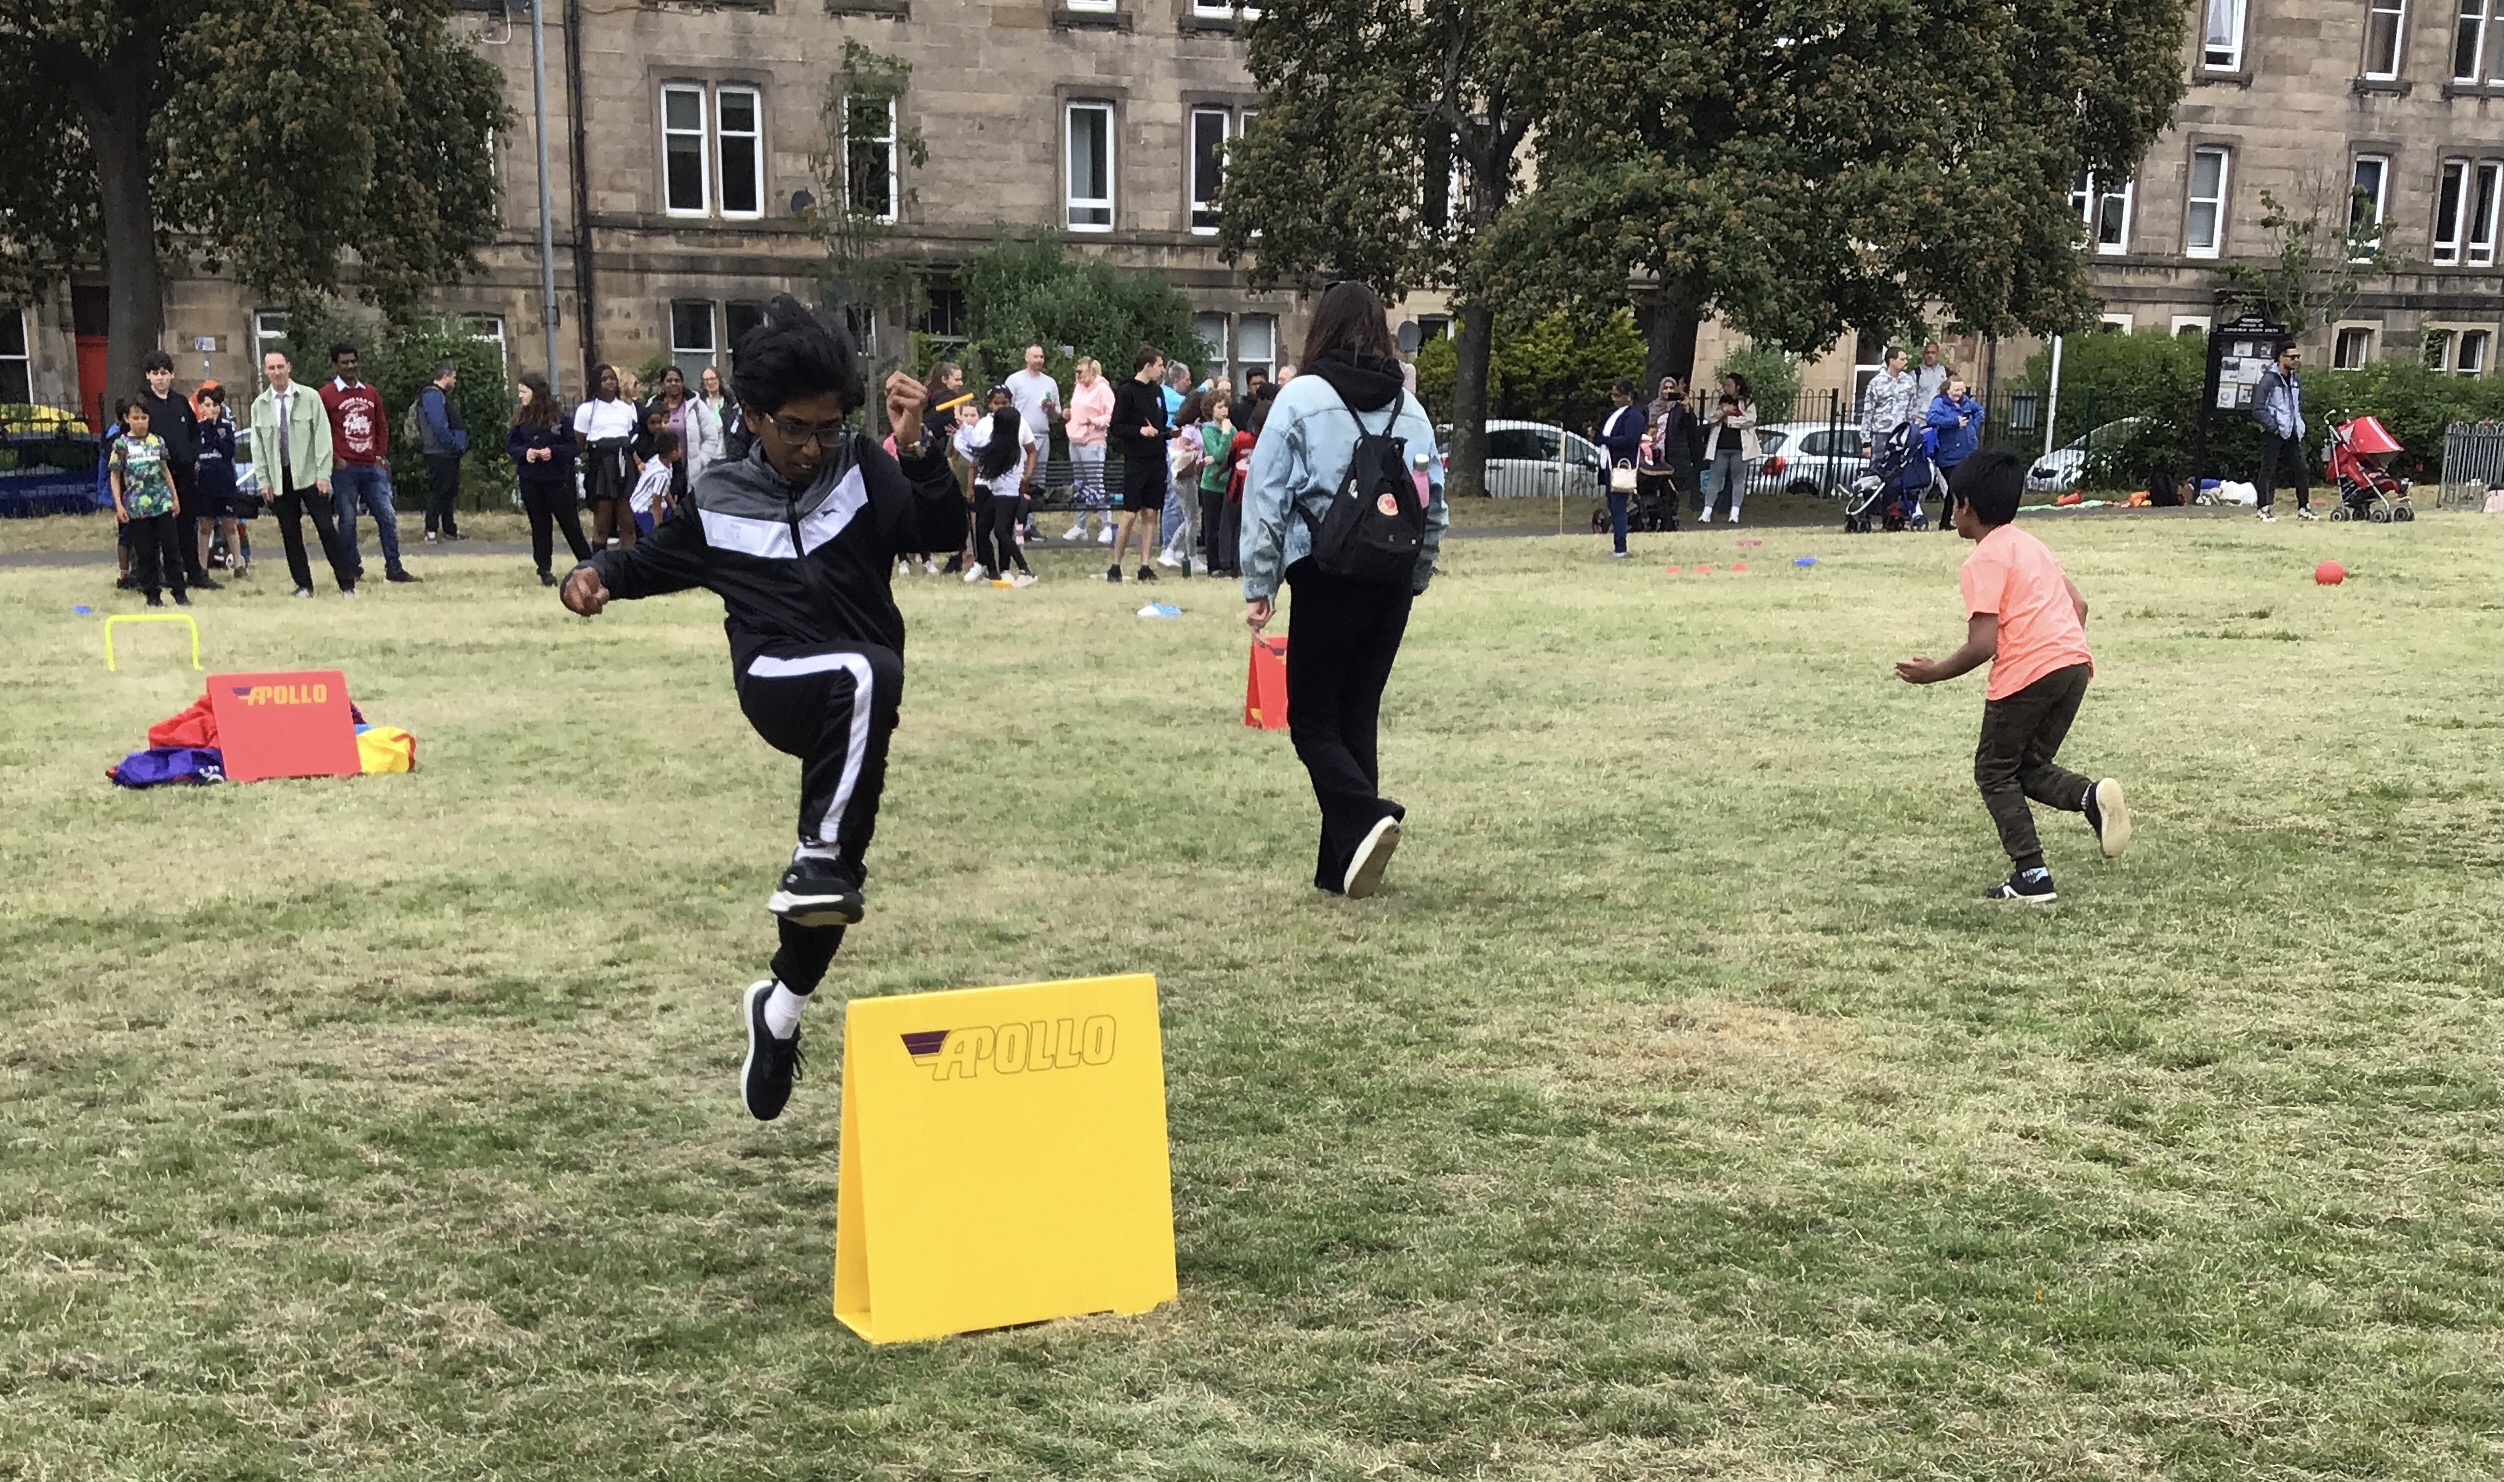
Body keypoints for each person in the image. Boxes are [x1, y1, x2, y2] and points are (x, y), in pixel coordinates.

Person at [557, 295, 967, 1122]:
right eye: (795, 430)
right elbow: (652, 560)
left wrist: (919, 445)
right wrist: (593, 574)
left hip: (860, 705)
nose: (813, 448)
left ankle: (779, 1011)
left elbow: (941, 530)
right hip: (779, 680)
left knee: (835, 883)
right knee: (862, 691)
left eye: (828, 429)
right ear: (751, 416)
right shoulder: (719, 495)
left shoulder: (861, 466)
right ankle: (816, 853)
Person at [1240, 280, 1449, 899]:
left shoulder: (1301, 398)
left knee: (1311, 720)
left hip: (1326, 573)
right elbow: (1433, 504)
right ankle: (1343, 871)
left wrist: (1260, 581)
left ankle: (1364, 816)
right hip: (1391, 579)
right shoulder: (1410, 409)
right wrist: (1417, 573)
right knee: (1357, 717)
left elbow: (1266, 495)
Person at [1895, 449, 2130, 902]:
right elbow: (2079, 606)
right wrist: (2057, 651)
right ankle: (2091, 797)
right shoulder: (2030, 544)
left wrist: (1933, 673)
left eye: (1951, 502)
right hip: (2073, 666)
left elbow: (1983, 644)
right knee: (2027, 767)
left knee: (1993, 771)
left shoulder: (1982, 560)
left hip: (2026, 674)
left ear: (1965, 506)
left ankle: (2032, 874)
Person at [250, 349, 357, 598]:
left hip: (310, 475)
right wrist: (264, 480)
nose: (276, 372)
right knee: (290, 532)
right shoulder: (259, 406)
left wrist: (323, 474)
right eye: (271, 368)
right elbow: (258, 447)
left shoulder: (309, 397)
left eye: (280, 366)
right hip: (280, 477)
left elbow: (322, 437)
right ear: (265, 371)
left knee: (326, 528)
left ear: (289, 366)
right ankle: (303, 585)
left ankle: (346, 583)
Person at [321, 343, 417, 583]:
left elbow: (381, 425)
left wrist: (379, 455)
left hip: (372, 467)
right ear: (335, 366)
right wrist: (335, 458)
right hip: (345, 469)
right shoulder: (326, 395)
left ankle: (394, 568)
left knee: (387, 516)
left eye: (353, 361)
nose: (350, 366)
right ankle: (352, 569)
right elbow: (321, 431)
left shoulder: (370, 393)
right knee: (348, 520)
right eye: (344, 362)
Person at [135, 351, 219, 590]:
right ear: (148, 376)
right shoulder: (143, 403)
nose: (160, 378)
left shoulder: (180, 402)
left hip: (184, 475)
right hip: (155, 476)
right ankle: (154, 574)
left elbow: (194, 433)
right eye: (155, 373)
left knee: (186, 525)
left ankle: (194, 572)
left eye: (164, 373)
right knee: (157, 528)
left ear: (171, 375)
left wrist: (192, 456)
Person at [507, 374, 592, 586]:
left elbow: (573, 446)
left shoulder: (559, 419)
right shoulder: (520, 420)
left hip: (557, 480)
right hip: (531, 479)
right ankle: (544, 569)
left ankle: (589, 564)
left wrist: (552, 452)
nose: (520, 396)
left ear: (535, 392)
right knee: (539, 525)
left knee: (570, 524)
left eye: (524, 391)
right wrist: (525, 452)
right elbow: (511, 445)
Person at [110, 398, 187, 607]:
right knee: (146, 553)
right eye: (136, 418)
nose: (141, 422)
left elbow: (165, 470)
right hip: (137, 507)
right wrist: (118, 505)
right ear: (127, 419)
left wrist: (174, 497)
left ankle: (179, 592)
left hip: (161, 502)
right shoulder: (121, 445)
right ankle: (152, 595)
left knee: (171, 549)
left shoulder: (157, 441)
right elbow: (115, 476)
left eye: (144, 417)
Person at [1108, 345, 1175, 582]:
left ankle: (1144, 564)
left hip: (1156, 457)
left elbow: (1161, 422)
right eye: (1159, 365)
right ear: (1147, 366)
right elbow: (1116, 427)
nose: (1162, 370)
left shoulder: (1157, 391)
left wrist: (1169, 432)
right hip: (1136, 459)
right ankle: (1116, 564)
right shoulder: (1127, 391)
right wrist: (1139, 430)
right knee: (1130, 512)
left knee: (1151, 511)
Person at [955, 398, 1039, 586]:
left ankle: (1025, 570)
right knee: (982, 530)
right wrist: (963, 429)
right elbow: (978, 446)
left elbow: (975, 451)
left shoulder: (1005, 447)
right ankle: (992, 573)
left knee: (1001, 531)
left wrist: (961, 433)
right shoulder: (1002, 443)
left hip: (1007, 496)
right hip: (997, 493)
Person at [574, 363, 640, 549]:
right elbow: (580, 441)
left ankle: (627, 562)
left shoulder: (625, 408)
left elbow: (630, 437)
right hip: (602, 465)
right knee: (602, 523)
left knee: (627, 523)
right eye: (604, 379)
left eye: (612, 378)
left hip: (624, 463)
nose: (609, 382)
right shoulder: (587, 409)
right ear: (596, 383)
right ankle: (598, 561)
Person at [192, 383, 249, 578]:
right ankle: (202, 566)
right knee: (205, 526)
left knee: (230, 525)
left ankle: (239, 564)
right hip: (205, 483)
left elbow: (228, 451)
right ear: (200, 407)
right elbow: (195, 451)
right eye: (207, 405)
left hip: (224, 483)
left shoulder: (226, 428)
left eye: (215, 405)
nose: (211, 409)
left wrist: (215, 428)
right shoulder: (197, 429)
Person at [2254, 340, 2314, 523]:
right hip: (2275, 431)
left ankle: (2304, 508)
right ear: (2281, 357)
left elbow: (2296, 405)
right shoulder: (2269, 380)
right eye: (2292, 357)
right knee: (2268, 470)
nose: (2295, 360)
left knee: (2302, 469)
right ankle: (2263, 508)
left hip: (2292, 430)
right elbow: (2258, 408)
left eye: (2297, 356)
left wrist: (2298, 425)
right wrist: (2272, 426)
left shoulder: (2296, 380)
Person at [1004, 344, 1062, 511]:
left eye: (1041, 357)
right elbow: (1007, 408)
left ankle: (1031, 519)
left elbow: (1056, 415)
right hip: (1020, 436)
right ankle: (1016, 517)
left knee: (1038, 480)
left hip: (1042, 435)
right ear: (1026, 358)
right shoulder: (1014, 380)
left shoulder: (1049, 382)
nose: (1039, 360)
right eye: (1035, 356)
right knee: (1019, 476)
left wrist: (1050, 408)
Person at [1063, 356, 1115, 543]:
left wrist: (1093, 421)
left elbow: (1110, 416)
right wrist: (1068, 414)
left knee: (1096, 483)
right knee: (1079, 484)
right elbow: (1077, 409)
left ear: (1091, 371)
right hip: (1075, 440)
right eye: (1076, 371)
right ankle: (1080, 525)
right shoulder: (1078, 387)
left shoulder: (1103, 389)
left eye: (1080, 371)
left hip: (1093, 441)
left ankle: (1107, 525)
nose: (1077, 375)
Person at [416, 360, 469, 544]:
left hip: (446, 451)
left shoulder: (439, 395)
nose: (455, 380)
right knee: (438, 491)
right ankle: (431, 529)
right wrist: (453, 444)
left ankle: (449, 528)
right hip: (439, 451)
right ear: (446, 376)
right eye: (453, 377)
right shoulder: (432, 395)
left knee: (449, 492)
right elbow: (439, 425)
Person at [1594, 377, 1645, 559]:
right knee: (1613, 505)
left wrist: (1606, 440)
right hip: (1610, 464)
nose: (1614, 399)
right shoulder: (1616, 414)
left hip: (1622, 465)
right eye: (1613, 395)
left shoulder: (1634, 415)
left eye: (1618, 395)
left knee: (1619, 506)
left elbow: (1629, 440)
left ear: (1629, 395)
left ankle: (1621, 548)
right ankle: (1618, 544)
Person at [1699, 374, 1758, 524]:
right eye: (1724, 385)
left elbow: (1750, 419)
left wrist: (1730, 420)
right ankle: (1707, 511)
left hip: (1739, 447)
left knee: (1738, 479)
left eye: (1729, 385)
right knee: (1714, 478)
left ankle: (1735, 511)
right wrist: (1723, 412)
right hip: (1720, 447)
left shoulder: (1747, 402)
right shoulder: (1720, 402)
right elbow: (1710, 417)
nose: (1725, 388)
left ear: (1737, 386)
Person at [1642, 375, 1699, 524]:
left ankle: (1668, 517)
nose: (1668, 391)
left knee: (1670, 488)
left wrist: (1687, 408)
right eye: (1665, 388)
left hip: (1672, 453)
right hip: (1652, 451)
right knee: (1651, 486)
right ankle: (1652, 516)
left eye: (1671, 388)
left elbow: (1691, 427)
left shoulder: (1678, 408)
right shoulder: (1652, 407)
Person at [1196, 391, 1236, 576]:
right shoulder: (1207, 430)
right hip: (1211, 485)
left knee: (1227, 526)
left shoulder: (1233, 429)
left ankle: (1228, 562)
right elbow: (1219, 454)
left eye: (1225, 406)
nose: (1224, 410)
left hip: (1229, 483)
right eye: (1219, 407)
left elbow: (1232, 454)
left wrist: (1219, 456)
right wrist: (1225, 435)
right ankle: (1213, 566)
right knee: (1212, 527)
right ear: (1211, 410)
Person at [1860, 346, 1921, 448]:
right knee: (1878, 458)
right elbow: (1868, 412)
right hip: (1880, 434)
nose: (1906, 362)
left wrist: (1912, 430)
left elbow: (1913, 408)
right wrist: (1866, 441)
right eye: (1902, 359)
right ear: (1891, 361)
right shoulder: (1876, 383)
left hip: (1902, 433)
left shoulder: (1909, 381)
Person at [1923, 376, 1984, 478]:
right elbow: (1931, 418)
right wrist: (1954, 422)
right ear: (1947, 390)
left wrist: (1973, 426)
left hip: (1969, 453)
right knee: (1954, 485)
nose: (1959, 393)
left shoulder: (1966, 401)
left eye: (1962, 390)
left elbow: (1979, 411)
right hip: (1950, 456)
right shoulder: (1939, 402)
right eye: (1956, 390)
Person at [629, 429, 681, 533]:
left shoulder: (659, 460)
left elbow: (664, 489)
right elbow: (656, 502)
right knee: (654, 536)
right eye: (679, 448)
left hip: (652, 504)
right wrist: (658, 528)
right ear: (673, 453)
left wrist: (673, 506)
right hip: (643, 508)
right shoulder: (662, 474)